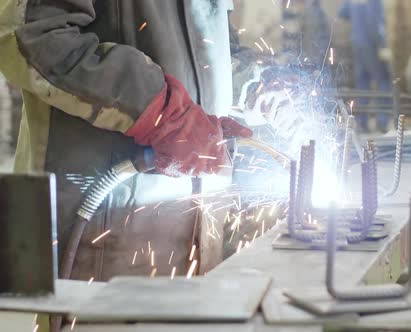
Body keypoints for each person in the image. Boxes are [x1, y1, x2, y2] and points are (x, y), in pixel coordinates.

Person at [0, 0, 254, 281]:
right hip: (99, 231)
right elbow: (31, 36)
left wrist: (259, 85)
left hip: (197, 230)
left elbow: (206, 45)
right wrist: (164, 114)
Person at [339, 0, 393, 132]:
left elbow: (342, 13)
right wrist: (382, 45)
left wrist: (357, 19)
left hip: (357, 42)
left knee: (363, 82)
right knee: (383, 82)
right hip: (371, 44)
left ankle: (361, 122)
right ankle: (382, 122)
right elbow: (375, 22)